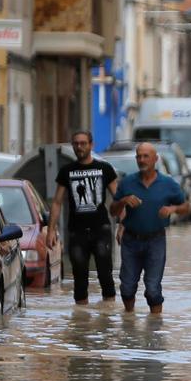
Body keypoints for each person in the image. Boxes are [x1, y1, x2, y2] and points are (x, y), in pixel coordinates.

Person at [110, 143, 191, 313]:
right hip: (131, 241)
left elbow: (186, 207)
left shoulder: (168, 183)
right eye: (139, 156)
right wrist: (123, 201)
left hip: (156, 241)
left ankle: (155, 328)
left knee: (153, 289)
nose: (142, 160)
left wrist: (173, 209)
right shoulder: (127, 183)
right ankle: (128, 323)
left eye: (146, 156)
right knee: (127, 288)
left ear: (155, 159)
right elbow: (113, 210)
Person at [49, 130, 119, 304]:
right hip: (76, 231)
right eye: (76, 144)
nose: (79, 147)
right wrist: (51, 229)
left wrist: (123, 225)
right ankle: (81, 321)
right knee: (79, 278)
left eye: (83, 143)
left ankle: (108, 317)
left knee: (105, 275)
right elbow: (57, 202)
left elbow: (118, 199)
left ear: (91, 145)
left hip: (101, 228)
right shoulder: (66, 171)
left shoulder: (105, 168)